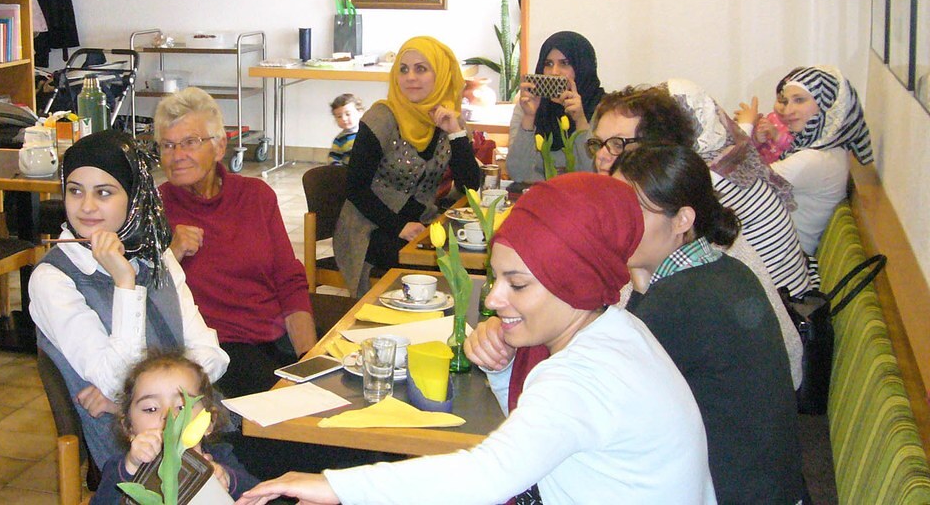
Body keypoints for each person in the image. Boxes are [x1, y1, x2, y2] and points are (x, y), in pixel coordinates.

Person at [239, 174, 716, 505]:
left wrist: (337, 485)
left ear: (574, 282)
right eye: (496, 278)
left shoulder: (583, 376)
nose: (493, 299)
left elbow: (487, 474)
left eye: (517, 284)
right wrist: (503, 367)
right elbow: (542, 439)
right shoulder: (617, 330)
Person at [611, 145, 805, 503]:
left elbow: (608, 395)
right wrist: (639, 282)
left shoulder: (679, 301)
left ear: (682, 220)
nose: (615, 222)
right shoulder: (725, 269)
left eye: (633, 210)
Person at [29, 129, 229, 468]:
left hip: (199, 432)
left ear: (134, 197)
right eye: (75, 191)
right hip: (132, 457)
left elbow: (213, 357)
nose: (86, 206)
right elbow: (114, 380)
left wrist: (130, 401)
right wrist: (124, 282)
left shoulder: (156, 256)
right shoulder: (53, 278)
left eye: (104, 193)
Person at [590, 80, 819, 299]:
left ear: (657, 147)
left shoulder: (693, 189)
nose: (601, 156)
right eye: (598, 143)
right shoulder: (718, 164)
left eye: (617, 144)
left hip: (779, 302)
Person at [157, 87, 315, 399]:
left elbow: (289, 280)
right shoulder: (155, 210)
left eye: (190, 142)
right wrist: (171, 254)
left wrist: (309, 358)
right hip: (218, 354)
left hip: (277, 338)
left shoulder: (256, 196)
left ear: (219, 147)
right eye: (167, 145)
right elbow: (147, 301)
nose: (177, 155)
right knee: (295, 413)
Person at [334, 36, 482, 296]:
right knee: (430, 267)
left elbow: (470, 186)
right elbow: (355, 188)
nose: (410, 77)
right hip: (369, 228)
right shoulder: (381, 118)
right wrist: (398, 226)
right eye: (403, 69)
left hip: (421, 222)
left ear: (441, 74)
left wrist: (456, 134)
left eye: (421, 69)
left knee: (468, 255)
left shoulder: (447, 117)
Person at [91, 349, 259, 504]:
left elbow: (258, 493)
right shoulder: (122, 468)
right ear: (128, 426)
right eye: (151, 409)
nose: (169, 417)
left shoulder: (220, 456)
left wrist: (227, 479)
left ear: (209, 421)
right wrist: (132, 467)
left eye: (183, 407)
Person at [736, 65, 872, 254]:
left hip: (780, 259)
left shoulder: (814, 160)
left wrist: (744, 127)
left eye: (799, 100)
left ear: (827, 105)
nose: (787, 110)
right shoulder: (828, 148)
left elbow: (736, 185)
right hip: (775, 249)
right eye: (786, 101)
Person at [505, 31, 601, 182]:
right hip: (538, 193)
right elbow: (517, 173)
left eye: (564, 63)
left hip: (583, 195)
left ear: (582, 67)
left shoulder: (603, 109)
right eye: (548, 64)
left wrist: (580, 120)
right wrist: (529, 117)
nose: (554, 72)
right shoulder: (528, 105)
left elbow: (596, 173)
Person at [328, 93, 364, 165]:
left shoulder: (369, 134)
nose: (344, 119)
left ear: (360, 113)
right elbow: (333, 158)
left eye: (348, 114)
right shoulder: (340, 139)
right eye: (339, 116)